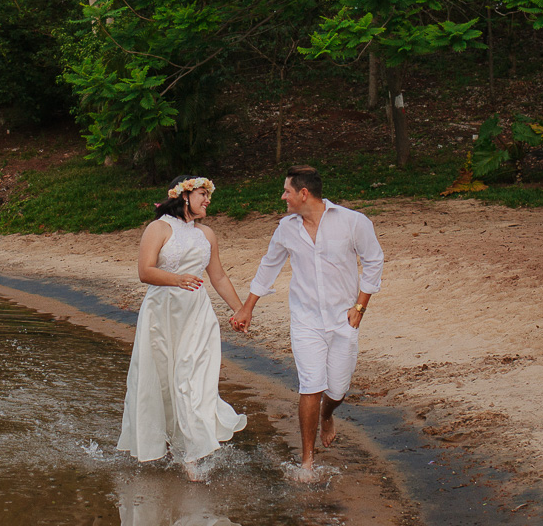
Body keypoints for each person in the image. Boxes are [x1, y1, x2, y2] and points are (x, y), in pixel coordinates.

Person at [232, 165, 383, 478]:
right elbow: (268, 266)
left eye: (287, 191)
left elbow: (373, 261)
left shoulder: (353, 222)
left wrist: (360, 306)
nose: (282, 196)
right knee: (311, 386)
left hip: (344, 320)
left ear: (303, 193)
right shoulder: (286, 228)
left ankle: (328, 414)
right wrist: (247, 308)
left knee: (337, 390)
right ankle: (307, 462)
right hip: (305, 320)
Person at [117, 175, 248, 481]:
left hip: (196, 313)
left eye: (208, 196)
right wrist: (176, 279)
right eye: (203, 194)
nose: (207, 200)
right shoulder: (158, 228)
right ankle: (166, 444)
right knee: (162, 381)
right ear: (183, 196)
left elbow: (218, 276)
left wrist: (240, 310)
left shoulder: (207, 234)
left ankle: (192, 455)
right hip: (162, 312)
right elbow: (144, 271)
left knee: (191, 378)